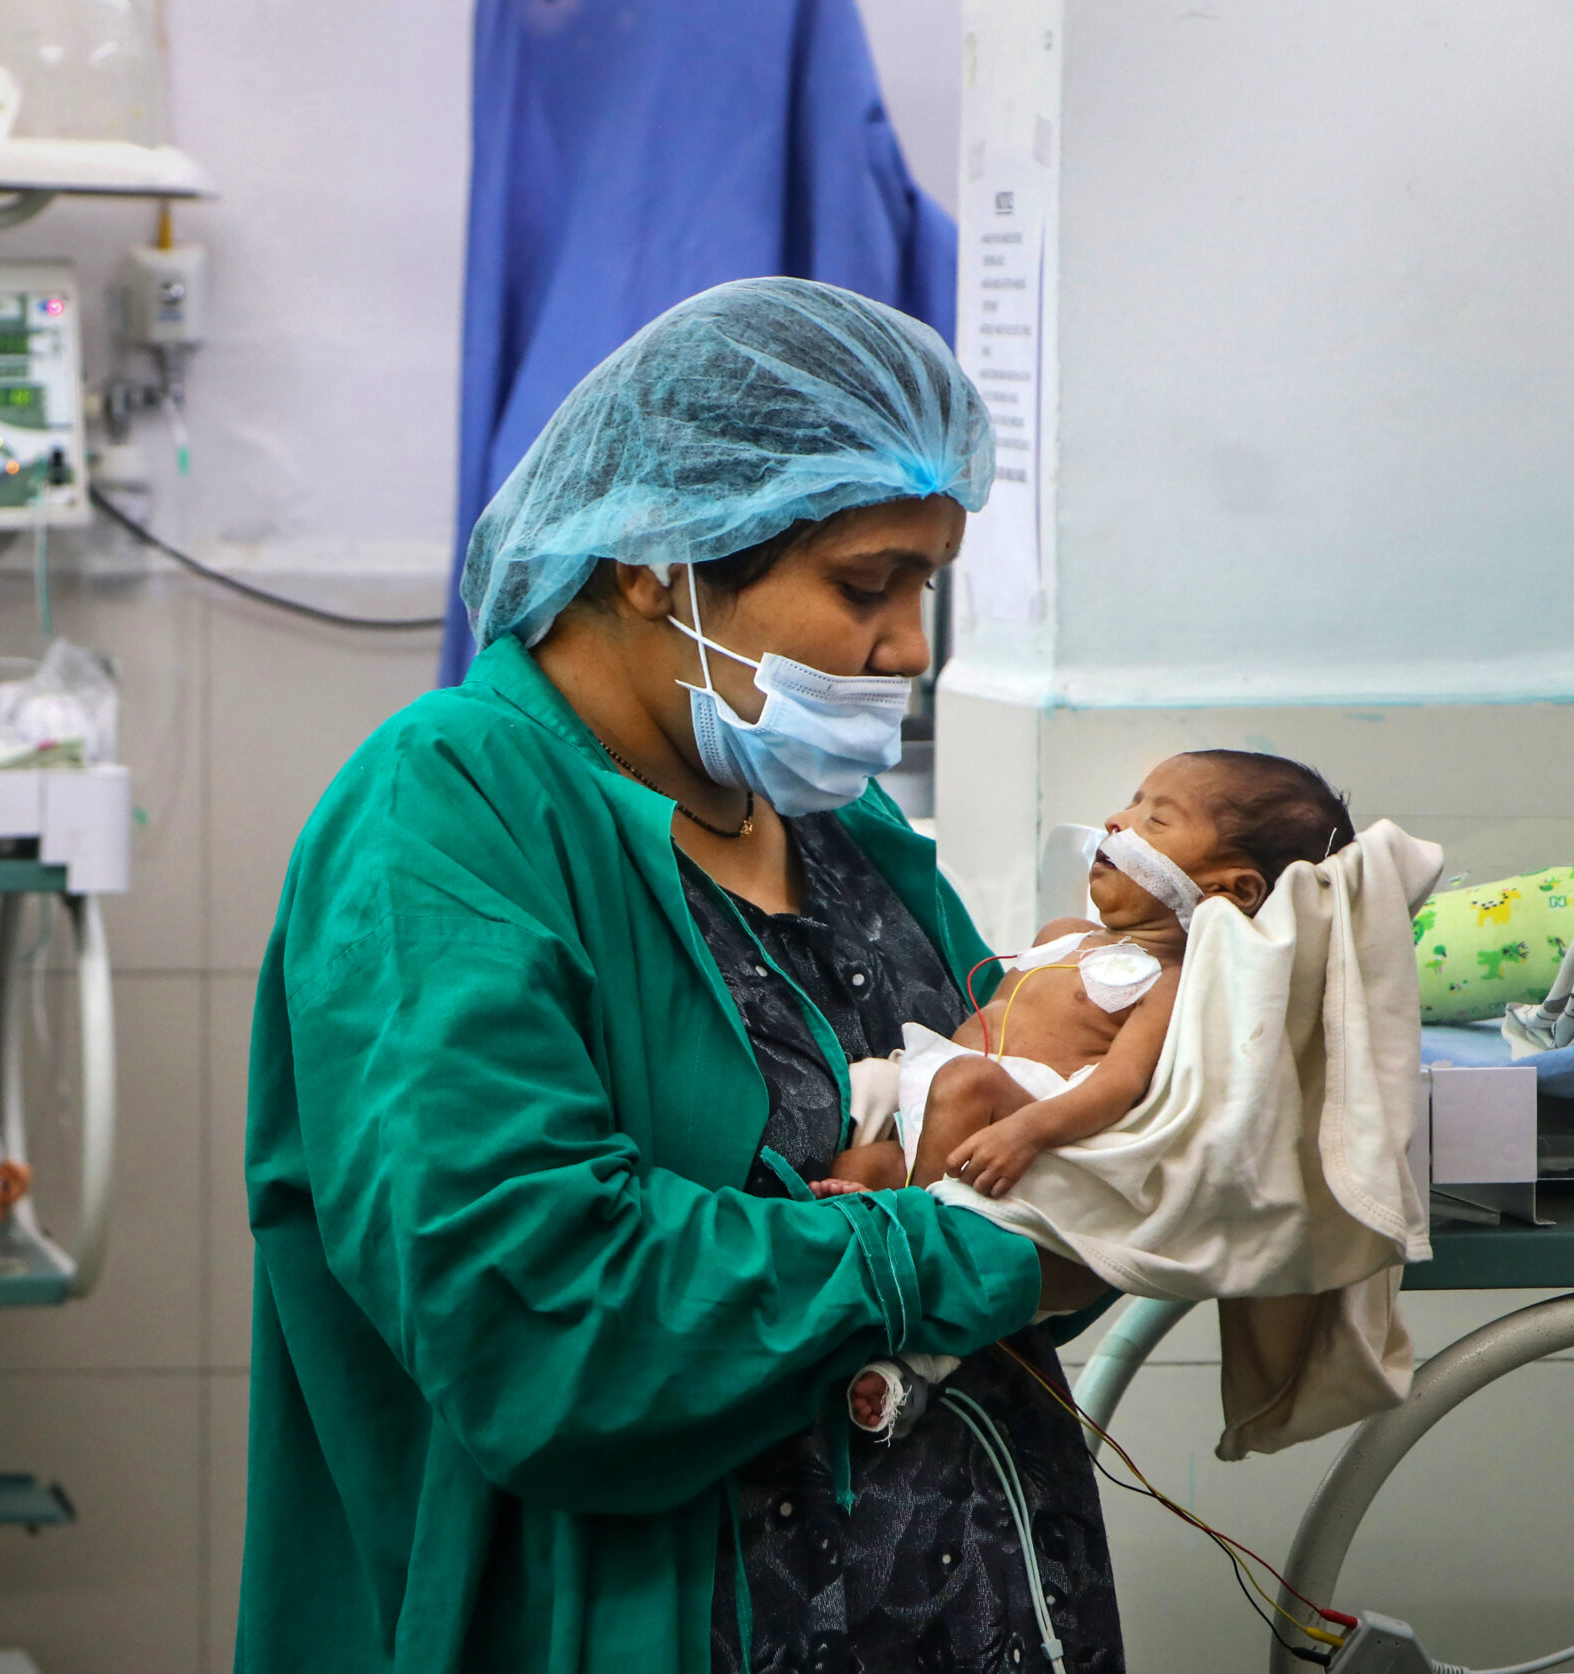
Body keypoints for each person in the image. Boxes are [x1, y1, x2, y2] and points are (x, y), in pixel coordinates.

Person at [239, 277, 1120, 1674]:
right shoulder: (447, 813)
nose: (908, 646)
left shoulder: (847, 835)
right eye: (865, 583)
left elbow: (1016, 1117)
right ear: (662, 558)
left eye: (925, 585)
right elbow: (546, 1318)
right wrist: (971, 1249)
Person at [831, 750, 1355, 1200]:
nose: (1116, 821)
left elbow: (1118, 1085)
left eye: (1156, 822)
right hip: (930, 1110)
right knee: (862, 1167)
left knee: (970, 1081)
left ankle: (920, 1231)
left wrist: (1027, 1133)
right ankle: (872, 1205)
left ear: (1232, 892)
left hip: (1012, 1121)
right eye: (1132, 803)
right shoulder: (1063, 934)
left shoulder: (1167, 983)